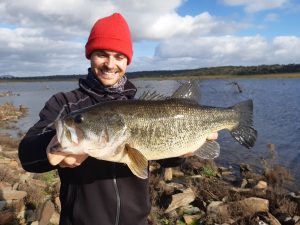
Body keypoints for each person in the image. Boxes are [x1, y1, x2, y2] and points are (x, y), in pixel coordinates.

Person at [18, 13, 218, 225]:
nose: (110, 64)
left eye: (119, 57)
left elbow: (166, 158)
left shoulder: (137, 103)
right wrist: (47, 149)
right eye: (102, 54)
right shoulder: (66, 105)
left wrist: (184, 151)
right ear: (90, 55)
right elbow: (26, 155)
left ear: (127, 61)